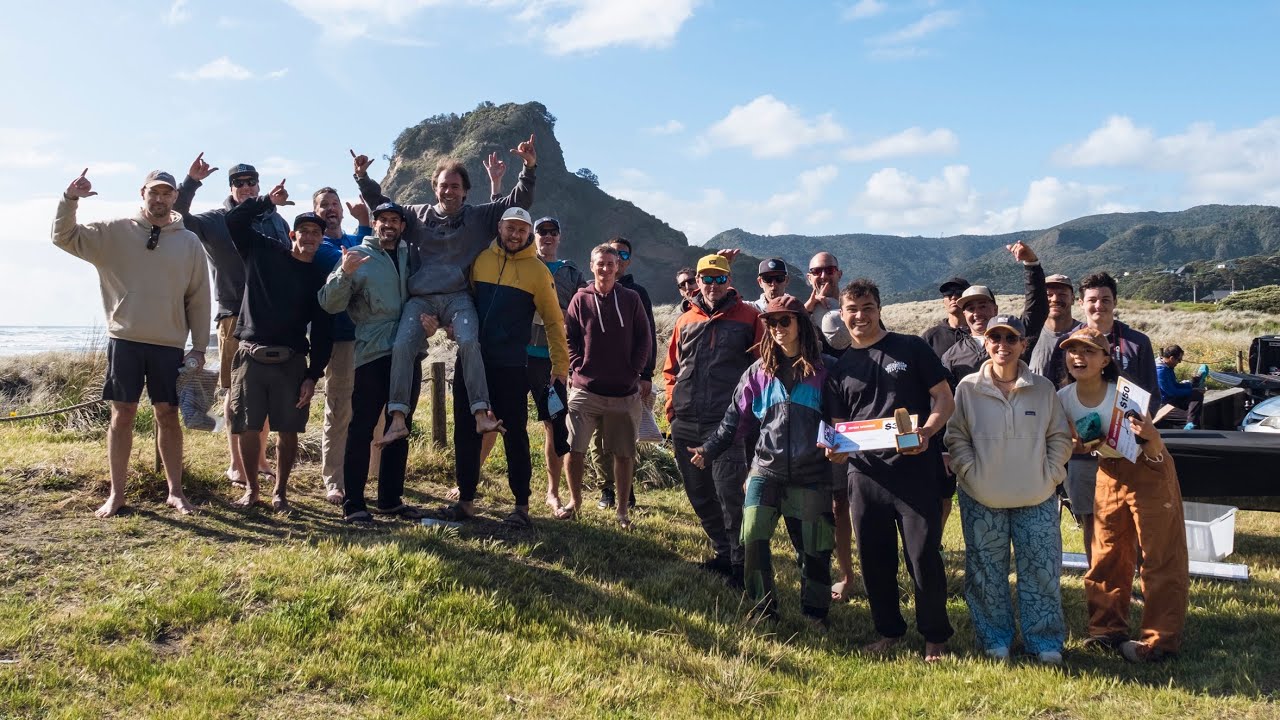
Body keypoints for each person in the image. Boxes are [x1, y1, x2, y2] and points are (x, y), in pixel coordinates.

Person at [352, 139, 539, 447]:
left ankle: (481, 411)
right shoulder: (415, 215)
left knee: (468, 341)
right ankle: (397, 417)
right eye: (443, 185)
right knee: (402, 345)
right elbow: (382, 205)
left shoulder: (479, 217)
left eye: (455, 186)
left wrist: (528, 167)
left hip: (458, 298)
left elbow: (517, 202)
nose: (449, 191)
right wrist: (362, 176)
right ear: (434, 187)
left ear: (465, 190)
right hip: (421, 299)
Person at [53, 169, 210, 518]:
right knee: (122, 415)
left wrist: (199, 347)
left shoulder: (189, 242)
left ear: (174, 198)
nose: (160, 199)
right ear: (143, 193)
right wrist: (70, 198)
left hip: (168, 345)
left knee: (168, 415)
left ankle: (175, 492)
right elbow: (63, 237)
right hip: (124, 340)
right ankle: (117, 495)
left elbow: (199, 298)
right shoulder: (114, 231)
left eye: (167, 193)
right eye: (154, 192)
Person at [689, 294, 839, 625]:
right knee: (752, 537)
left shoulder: (828, 371)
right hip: (765, 470)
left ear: (802, 323)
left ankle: (815, 612)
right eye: (770, 322)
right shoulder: (757, 372)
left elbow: (843, 420)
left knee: (815, 548)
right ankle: (763, 609)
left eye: (784, 320)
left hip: (813, 472)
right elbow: (734, 421)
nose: (776, 328)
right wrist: (708, 449)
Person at [826, 279, 955, 662]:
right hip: (865, 476)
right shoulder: (840, 369)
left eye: (867, 307)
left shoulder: (911, 348)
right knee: (874, 558)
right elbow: (838, 428)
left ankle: (935, 637)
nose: (860, 316)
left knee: (923, 557)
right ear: (842, 314)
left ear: (879, 308)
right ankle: (888, 631)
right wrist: (834, 450)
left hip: (915, 471)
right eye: (852, 309)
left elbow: (943, 399)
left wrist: (928, 431)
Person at [944, 315, 1072, 664]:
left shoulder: (1043, 388)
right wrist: (970, 472)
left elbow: (1059, 436)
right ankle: (994, 638)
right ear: (985, 342)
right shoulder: (968, 388)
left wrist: (1051, 475)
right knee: (986, 571)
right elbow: (956, 436)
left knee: (1042, 570)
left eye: (1010, 338)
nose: (1002, 345)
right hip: (983, 496)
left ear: (1023, 344)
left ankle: (1044, 641)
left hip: (1037, 495)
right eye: (995, 338)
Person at [1058, 327, 1189, 663]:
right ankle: (1106, 631)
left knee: (1160, 557)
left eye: (1089, 351)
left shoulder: (1126, 394)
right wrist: (1077, 445)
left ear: (1105, 359)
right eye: (1073, 351)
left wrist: (1150, 435)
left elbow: (1152, 443)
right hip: (1108, 471)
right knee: (1106, 555)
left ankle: (1159, 641)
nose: (1079, 357)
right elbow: (1073, 442)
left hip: (1149, 468)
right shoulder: (1064, 398)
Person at [443, 207, 568, 527]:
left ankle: (521, 506)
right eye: (509, 228)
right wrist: (449, 325)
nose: (515, 234)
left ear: (529, 235)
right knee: (465, 431)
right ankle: (466, 500)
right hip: (472, 362)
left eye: (521, 230)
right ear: (499, 227)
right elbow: (464, 301)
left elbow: (555, 322)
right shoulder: (481, 260)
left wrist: (560, 368)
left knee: (514, 436)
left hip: (512, 365)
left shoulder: (539, 272)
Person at [175, 156, 286, 489]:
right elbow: (180, 218)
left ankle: (261, 460)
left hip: (270, 315)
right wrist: (191, 182)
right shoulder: (216, 219)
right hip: (233, 314)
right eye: (239, 183)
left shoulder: (273, 217)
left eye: (251, 181)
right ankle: (236, 465)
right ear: (230, 188)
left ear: (259, 185)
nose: (246, 187)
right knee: (234, 390)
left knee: (264, 392)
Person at [225, 180, 333, 512]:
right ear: (293, 235)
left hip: (291, 362)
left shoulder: (318, 277)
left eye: (317, 232)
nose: (311, 237)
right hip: (250, 357)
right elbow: (233, 222)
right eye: (305, 231)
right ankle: (253, 490)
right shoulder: (263, 252)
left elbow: (324, 331)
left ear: (322, 238)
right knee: (247, 426)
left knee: (288, 431)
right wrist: (265, 201)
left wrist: (313, 376)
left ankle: (281, 492)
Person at [318, 202, 428, 522]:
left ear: (403, 226)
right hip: (372, 354)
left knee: (400, 425)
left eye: (395, 220)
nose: (389, 225)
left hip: (408, 353)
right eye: (383, 220)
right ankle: (354, 502)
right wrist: (343, 273)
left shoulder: (412, 257)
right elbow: (329, 303)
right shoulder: (358, 258)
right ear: (375, 224)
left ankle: (390, 500)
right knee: (362, 427)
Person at [664, 254, 763, 586]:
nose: (712, 284)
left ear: (729, 280)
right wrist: (671, 408)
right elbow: (671, 369)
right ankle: (723, 553)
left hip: (727, 425)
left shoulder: (750, 317)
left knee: (730, 496)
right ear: (698, 280)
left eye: (720, 278)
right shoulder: (684, 320)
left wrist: (749, 415)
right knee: (699, 493)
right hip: (686, 421)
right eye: (706, 278)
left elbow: (762, 370)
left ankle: (740, 566)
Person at [1061, 272, 1159, 551]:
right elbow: (1061, 394)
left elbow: (1151, 395)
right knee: (1091, 523)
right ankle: (1099, 585)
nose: (1098, 305)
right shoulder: (1068, 343)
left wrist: (1129, 433)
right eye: (1092, 300)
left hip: (1128, 452)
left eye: (1105, 299)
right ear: (1081, 303)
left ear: (1115, 301)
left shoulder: (1137, 342)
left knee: (1133, 521)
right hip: (1083, 455)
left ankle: (1137, 584)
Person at [561, 244, 653, 528]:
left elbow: (644, 338)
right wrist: (578, 367)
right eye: (600, 263)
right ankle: (575, 502)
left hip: (623, 394)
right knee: (573, 449)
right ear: (592, 266)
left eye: (610, 263)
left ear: (617, 267)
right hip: (585, 390)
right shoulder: (580, 299)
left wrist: (634, 372)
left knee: (624, 455)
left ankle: (622, 511)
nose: (605, 268)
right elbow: (569, 339)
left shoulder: (631, 299)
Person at [312, 187, 373, 505]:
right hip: (340, 339)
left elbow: (368, 255)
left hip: (368, 336)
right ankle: (334, 479)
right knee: (338, 410)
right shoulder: (319, 246)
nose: (331, 209)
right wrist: (365, 224)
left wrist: (363, 225)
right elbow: (351, 261)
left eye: (335, 204)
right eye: (324, 205)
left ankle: (369, 474)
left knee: (372, 407)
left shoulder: (352, 239)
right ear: (316, 212)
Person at [591, 236, 656, 511]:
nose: (617, 260)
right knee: (598, 440)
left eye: (623, 256)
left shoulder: (637, 293)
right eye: (612, 254)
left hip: (628, 381)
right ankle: (606, 490)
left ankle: (626, 493)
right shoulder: (589, 291)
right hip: (594, 382)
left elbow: (648, 335)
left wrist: (646, 374)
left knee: (624, 439)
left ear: (626, 261)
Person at [529, 215, 587, 512]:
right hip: (519, 357)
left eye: (552, 232)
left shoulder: (571, 274)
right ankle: (469, 483)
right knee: (498, 417)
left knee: (554, 425)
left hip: (554, 363)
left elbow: (584, 311)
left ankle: (553, 491)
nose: (547, 237)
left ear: (560, 237)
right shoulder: (523, 264)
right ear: (534, 235)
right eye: (542, 232)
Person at [939, 242, 1048, 384]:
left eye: (983, 306)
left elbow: (1037, 307)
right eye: (971, 309)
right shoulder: (951, 356)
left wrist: (1031, 264)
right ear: (964, 314)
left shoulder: (1015, 336)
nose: (977, 313)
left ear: (995, 309)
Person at [1027, 274, 1083, 382]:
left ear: (1072, 299)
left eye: (1062, 294)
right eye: (1049, 294)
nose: (1055, 299)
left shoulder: (1084, 334)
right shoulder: (1029, 334)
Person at [803, 251, 848, 357]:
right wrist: (806, 311)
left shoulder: (856, 308)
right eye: (817, 271)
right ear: (809, 278)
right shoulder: (803, 313)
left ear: (839, 274)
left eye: (829, 270)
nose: (823, 276)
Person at [1156, 345, 1205, 430]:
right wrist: (1191, 391)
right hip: (1162, 405)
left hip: (1171, 400)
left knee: (1197, 394)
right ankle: (1190, 424)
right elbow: (1171, 391)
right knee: (1192, 419)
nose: (1180, 362)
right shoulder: (1160, 371)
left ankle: (1191, 423)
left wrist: (1190, 386)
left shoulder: (1168, 367)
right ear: (1171, 358)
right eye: (1179, 360)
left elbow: (1175, 385)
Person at [921, 277, 970, 359]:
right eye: (948, 293)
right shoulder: (931, 337)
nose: (953, 297)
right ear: (943, 301)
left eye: (959, 292)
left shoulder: (979, 332)